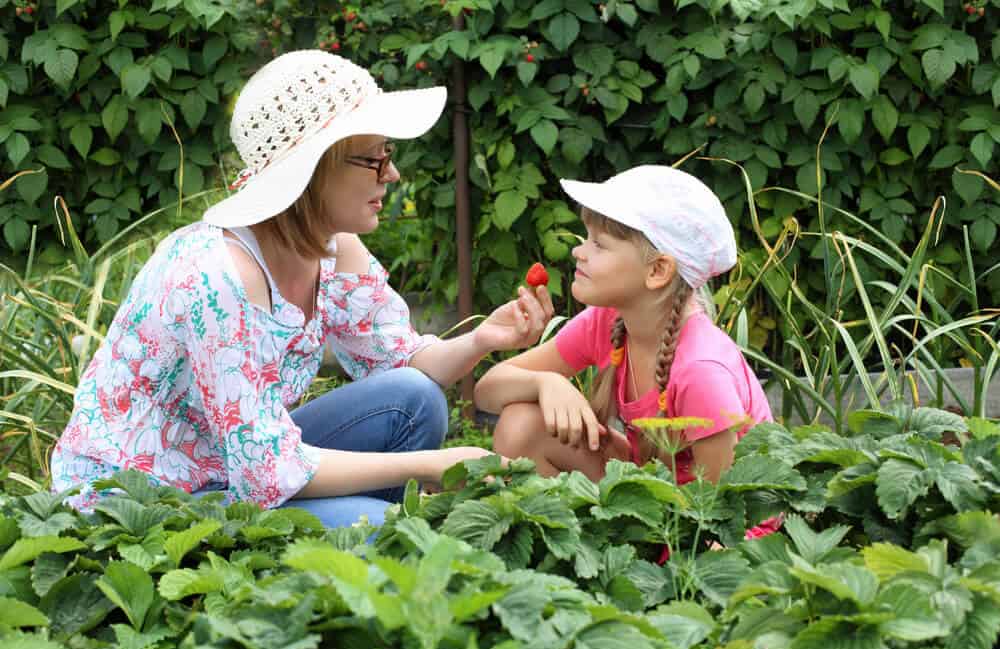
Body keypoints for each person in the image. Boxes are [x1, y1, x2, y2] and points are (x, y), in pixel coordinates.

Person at [50, 50, 554, 527]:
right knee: (381, 529)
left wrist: (485, 339)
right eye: (375, 159)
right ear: (314, 171)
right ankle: (358, 535)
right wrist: (428, 465)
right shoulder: (216, 278)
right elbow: (265, 470)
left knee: (415, 398)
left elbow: (402, 365)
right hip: (145, 498)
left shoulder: (334, 248)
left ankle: (348, 539)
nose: (392, 173)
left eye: (389, 155)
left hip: (233, 465)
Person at [474, 165, 772, 485]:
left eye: (599, 245)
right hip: (651, 490)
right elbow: (487, 390)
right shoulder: (607, 322)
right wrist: (546, 383)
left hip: (703, 521)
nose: (578, 252)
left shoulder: (701, 371)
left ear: (657, 271)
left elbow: (720, 511)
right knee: (523, 422)